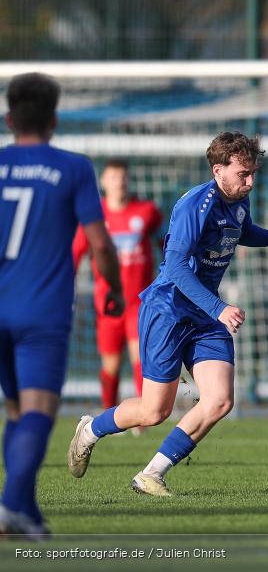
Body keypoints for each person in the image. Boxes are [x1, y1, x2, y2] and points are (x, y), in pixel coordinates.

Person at [67, 131, 268, 497]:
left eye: (253, 173)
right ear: (218, 170)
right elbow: (177, 267)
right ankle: (90, 430)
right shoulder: (195, 206)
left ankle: (152, 473)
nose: (251, 181)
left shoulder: (238, 203)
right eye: (243, 173)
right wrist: (220, 307)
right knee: (154, 412)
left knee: (219, 400)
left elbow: (243, 234)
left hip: (204, 315)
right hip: (168, 311)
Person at [0, 73, 124, 537]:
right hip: (41, 312)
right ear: (54, 119)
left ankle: (25, 512)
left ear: (9, 118)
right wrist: (111, 287)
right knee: (37, 410)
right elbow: (100, 244)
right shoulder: (73, 168)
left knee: (15, 409)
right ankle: (10, 505)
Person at [73, 159, 163, 413]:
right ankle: (108, 415)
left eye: (123, 177)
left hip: (140, 302)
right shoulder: (94, 217)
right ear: (103, 182)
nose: (119, 182)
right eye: (113, 177)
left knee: (141, 358)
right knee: (111, 364)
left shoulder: (146, 211)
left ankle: (144, 414)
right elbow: (75, 253)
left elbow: (166, 243)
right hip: (108, 303)